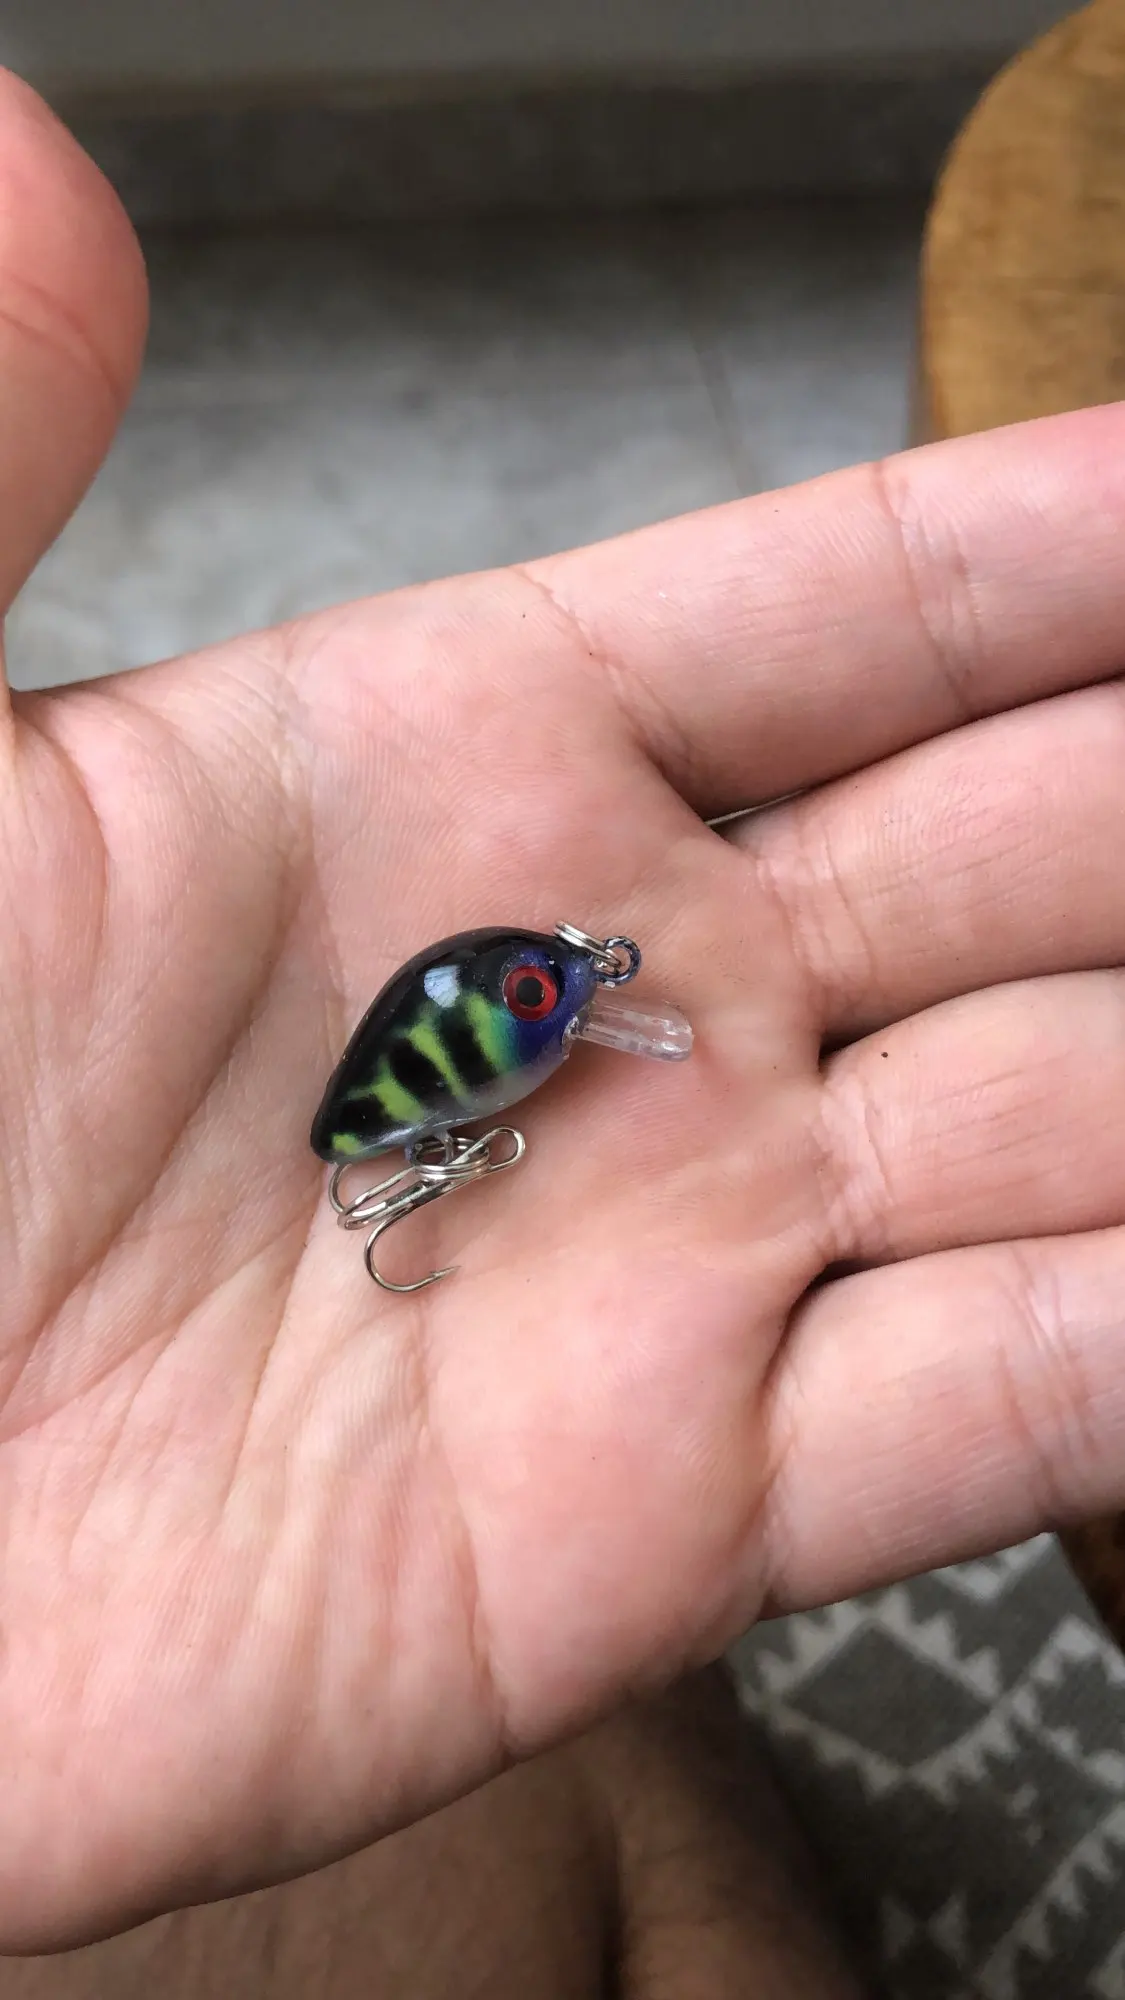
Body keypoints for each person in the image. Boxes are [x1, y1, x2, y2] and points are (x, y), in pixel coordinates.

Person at [0, 63, 1123, 1996]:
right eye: (556, 989)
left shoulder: (544, 1003)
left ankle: (657, 1768)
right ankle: (670, 1774)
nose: (573, 991)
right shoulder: (500, 1021)